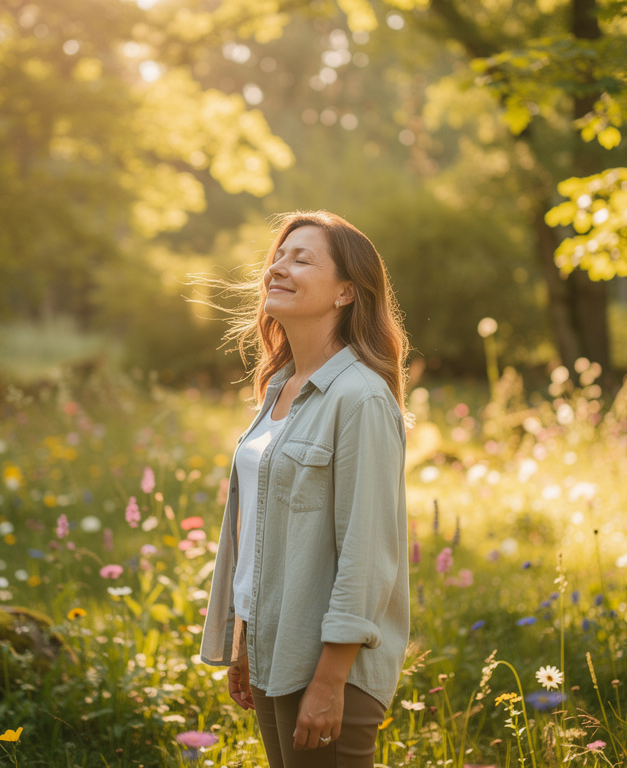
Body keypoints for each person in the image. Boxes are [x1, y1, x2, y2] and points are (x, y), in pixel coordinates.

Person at [199, 211, 411, 767]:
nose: (279, 268)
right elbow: (268, 535)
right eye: (279, 256)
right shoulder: (279, 390)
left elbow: (368, 555)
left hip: (328, 668)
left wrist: (330, 678)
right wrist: (246, 641)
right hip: (276, 647)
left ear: (346, 291)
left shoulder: (359, 398)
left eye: (302, 259)